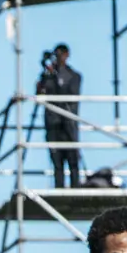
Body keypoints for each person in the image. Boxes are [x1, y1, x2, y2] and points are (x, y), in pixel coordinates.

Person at [36, 43, 83, 187]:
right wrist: (45, 76)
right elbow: (39, 94)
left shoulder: (73, 76)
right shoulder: (47, 76)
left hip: (69, 123)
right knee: (57, 160)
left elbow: (70, 96)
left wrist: (56, 75)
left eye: (60, 54)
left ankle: (75, 190)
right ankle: (59, 189)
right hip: (53, 123)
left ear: (66, 55)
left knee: (73, 160)